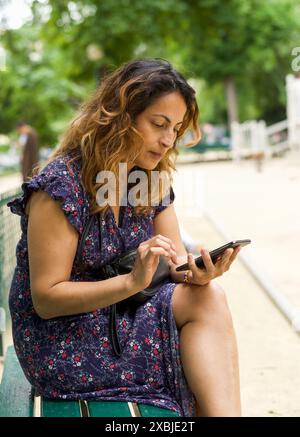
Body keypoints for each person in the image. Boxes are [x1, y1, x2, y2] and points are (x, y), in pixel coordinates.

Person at [8, 58, 242, 417]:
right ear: (119, 117)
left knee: (208, 294)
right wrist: (131, 282)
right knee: (203, 315)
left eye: (175, 129)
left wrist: (196, 272)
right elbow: (47, 299)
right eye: (158, 124)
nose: (167, 140)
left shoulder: (149, 179)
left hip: (124, 315)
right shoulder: (61, 184)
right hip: (62, 340)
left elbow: (176, 264)